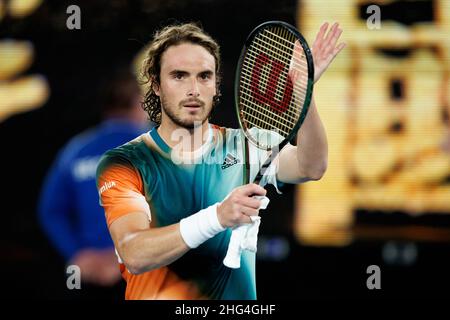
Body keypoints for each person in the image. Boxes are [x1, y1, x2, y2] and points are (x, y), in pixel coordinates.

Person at [96, 22, 345, 299]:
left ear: (215, 85)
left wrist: (303, 93)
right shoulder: (123, 163)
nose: (193, 89)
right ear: (155, 85)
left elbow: (311, 166)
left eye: (204, 76)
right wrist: (218, 217)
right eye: (179, 76)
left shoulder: (248, 145)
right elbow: (135, 253)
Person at [38, 69, 150, 296]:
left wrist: (78, 253)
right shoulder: (155, 146)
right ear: (139, 103)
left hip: (90, 275)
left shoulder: (75, 150)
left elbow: (50, 210)